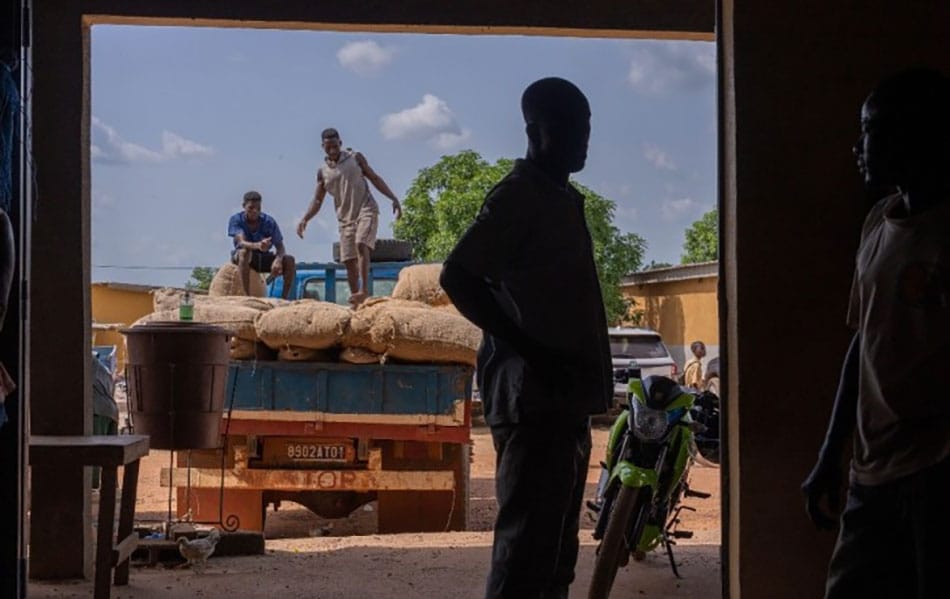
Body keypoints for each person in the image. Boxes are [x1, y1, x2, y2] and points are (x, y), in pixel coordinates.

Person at [440, 77, 612, 599]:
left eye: (586, 128)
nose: (583, 140)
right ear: (536, 131)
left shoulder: (562, 199)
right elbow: (458, 277)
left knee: (556, 559)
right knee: (524, 563)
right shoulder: (518, 197)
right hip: (533, 405)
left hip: (565, 407)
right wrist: (531, 349)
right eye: (570, 128)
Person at [801, 68, 950, 599]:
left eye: (870, 130)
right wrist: (829, 456)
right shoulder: (878, 225)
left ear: (916, 135)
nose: (858, 146)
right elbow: (860, 347)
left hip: (935, 473)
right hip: (872, 475)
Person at [296, 128, 402, 305]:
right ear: (323, 146)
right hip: (345, 219)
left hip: (365, 208)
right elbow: (317, 200)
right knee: (348, 259)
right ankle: (356, 299)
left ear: (340, 143)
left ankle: (364, 290)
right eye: (328, 146)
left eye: (335, 145)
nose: (332, 149)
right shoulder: (323, 172)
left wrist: (393, 198)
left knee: (361, 243)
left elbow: (374, 178)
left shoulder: (355, 158)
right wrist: (305, 219)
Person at [228, 190, 295, 299]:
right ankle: (247, 296)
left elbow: (280, 246)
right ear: (244, 206)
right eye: (251, 208)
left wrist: (278, 260)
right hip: (243, 258)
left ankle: (284, 299)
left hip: (263, 257)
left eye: (258, 208)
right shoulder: (236, 220)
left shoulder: (269, 222)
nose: (255, 211)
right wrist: (258, 245)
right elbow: (241, 242)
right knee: (245, 252)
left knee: (289, 260)